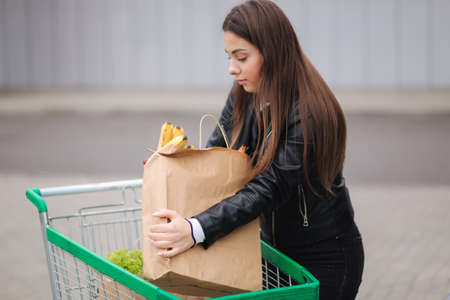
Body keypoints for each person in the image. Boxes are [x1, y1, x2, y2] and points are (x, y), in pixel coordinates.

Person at [148, 1, 364, 299]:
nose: (231, 69)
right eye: (229, 56)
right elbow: (217, 151)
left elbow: (270, 186)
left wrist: (196, 229)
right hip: (273, 252)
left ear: (272, 51)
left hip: (324, 258)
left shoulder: (310, 112)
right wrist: (175, 171)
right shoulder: (246, 91)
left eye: (241, 57)